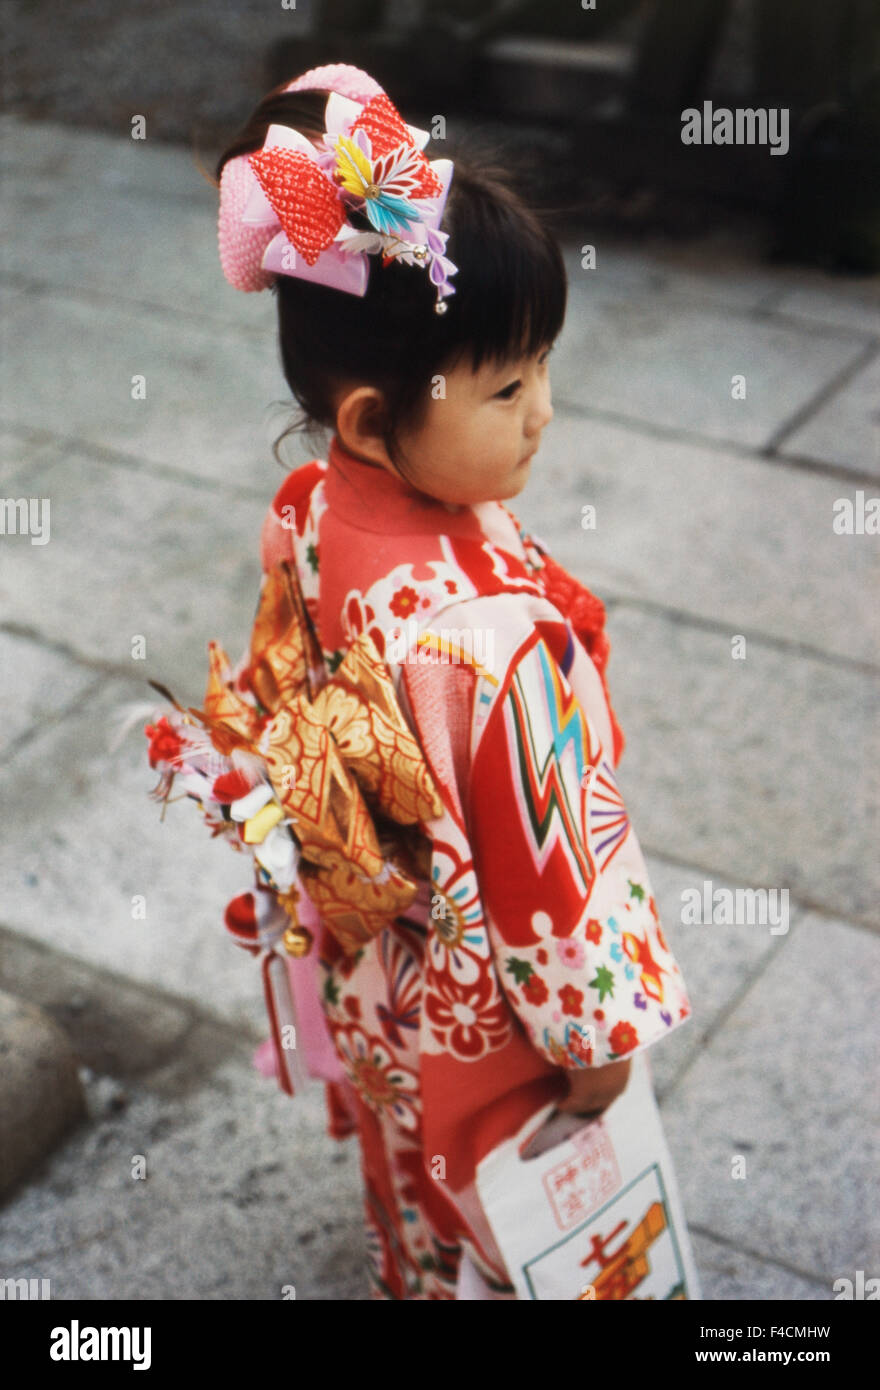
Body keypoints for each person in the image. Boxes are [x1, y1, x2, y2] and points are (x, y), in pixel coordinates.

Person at [149, 61, 692, 1300]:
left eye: (541, 367)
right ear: (364, 420)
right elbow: (561, 870)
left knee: (419, 1153)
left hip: (384, 972)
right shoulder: (495, 644)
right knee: (521, 1202)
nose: (542, 413)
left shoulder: (308, 512)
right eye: (506, 387)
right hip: (495, 1004)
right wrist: (598, 1045)